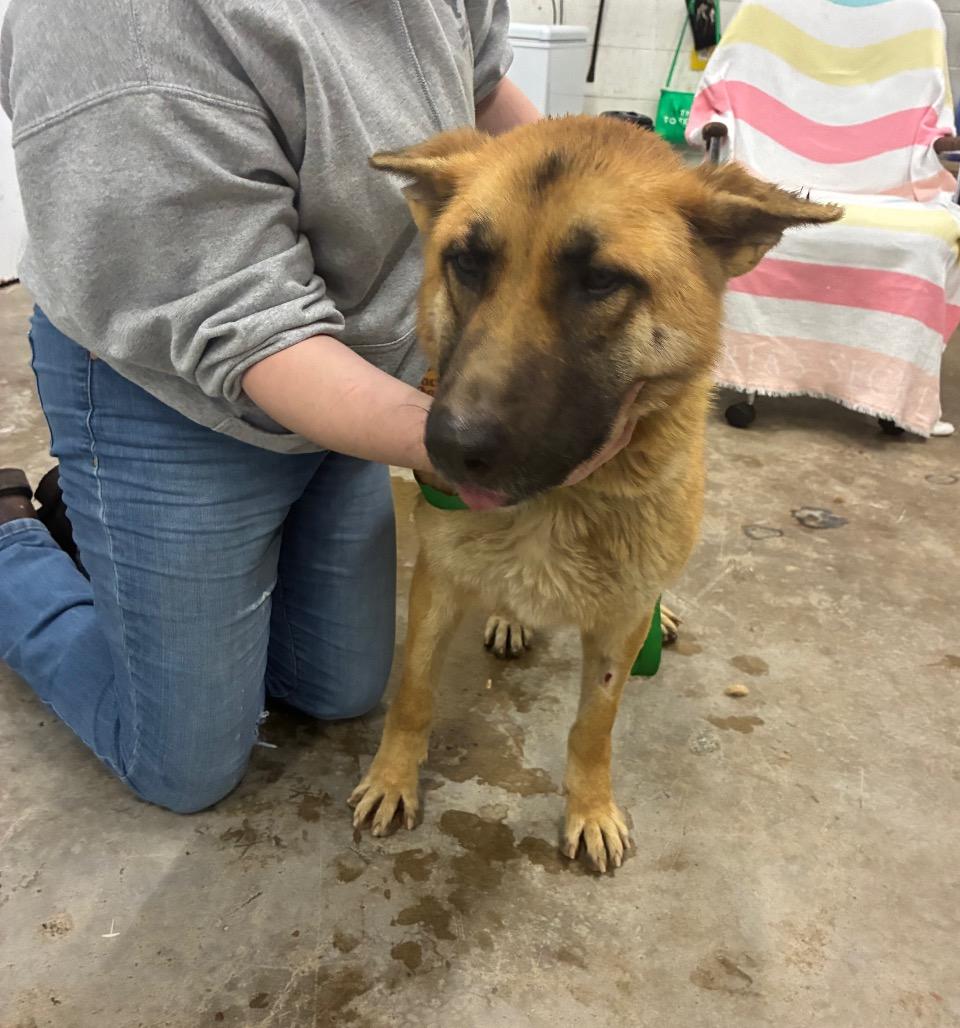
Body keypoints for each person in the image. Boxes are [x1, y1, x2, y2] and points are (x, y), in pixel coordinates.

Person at [0, 1, 632, 814]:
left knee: (335, 688)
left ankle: (113, 533)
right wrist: (463, 444)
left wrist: (626, 227)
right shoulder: (111, 23)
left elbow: (485, 91)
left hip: (347, 364)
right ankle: (16, 541)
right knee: (182, 764)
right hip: (169, 380)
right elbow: (241, 320)